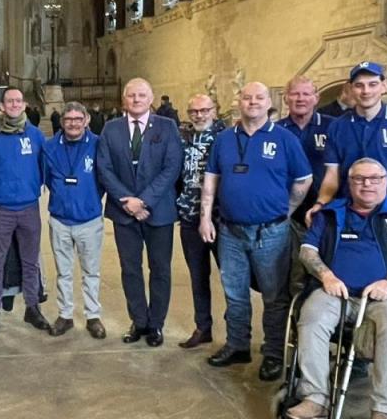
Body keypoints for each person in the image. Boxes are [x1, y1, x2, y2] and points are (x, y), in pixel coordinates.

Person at [287, 158, 387, 419]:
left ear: (386, 181)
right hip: (335, 293)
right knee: (311, 317)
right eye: (359, 179)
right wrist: (326, 276)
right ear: (349, 183)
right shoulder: (330, 213)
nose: (367, 184)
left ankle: (384, 412)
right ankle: (315, 398)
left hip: (385, 297)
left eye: (374, 179)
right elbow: (307, 250)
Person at [200, 82, 312, 381]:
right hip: (230, 232)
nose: (252, 102)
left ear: (269, 103)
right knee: (234, 293)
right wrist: (205, 218)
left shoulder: (285, 139)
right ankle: (237, 344)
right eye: (247, 97)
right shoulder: (224, 139)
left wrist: (284, 211)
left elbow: (303, 181)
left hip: (271, 233)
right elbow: (211, 179)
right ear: (239, 101)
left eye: (259, 97)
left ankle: (273, 352)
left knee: (274, 296)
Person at [96, 78, 182, 347]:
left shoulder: (167, 128)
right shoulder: (111, 129)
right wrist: (127, 201)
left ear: (151, 97)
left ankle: (156, 324)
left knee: (160, 270)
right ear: (124, 99)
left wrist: (143, 201)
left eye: (141, 95)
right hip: (124, 214)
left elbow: (171, 168)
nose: (136, 99)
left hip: (159, 212)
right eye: (131, 95)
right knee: (130, 269)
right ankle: (139, 321)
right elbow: (104, 168)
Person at [307, 61, 387, 226]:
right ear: (350, 88)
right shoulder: (338, 126)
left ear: (384, 86)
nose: (366, 91)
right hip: (349, 213)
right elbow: (332, 174)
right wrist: (320, 203)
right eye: (359, 85)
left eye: (373, 84)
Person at [0, 87, 51, 333]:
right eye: (9, 101)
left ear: (23, 105)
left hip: (29, 208)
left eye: (18, 101)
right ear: (2, 105)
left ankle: (32, 307)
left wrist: (35, 187)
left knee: (30, 262)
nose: (14, 104)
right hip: (0, 210)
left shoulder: (35, 135)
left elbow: (46, 164)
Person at [43, 102, 107, 338]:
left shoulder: (98, 144)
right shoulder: (50, 147)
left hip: (89, 220)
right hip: (60, 220)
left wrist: (89, 199)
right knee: (64, 272)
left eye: (78, 119)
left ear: (86, 120)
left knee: (91, 271)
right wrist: (63, 199)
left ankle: (92, 316)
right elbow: (48, 179)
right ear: (62, 122)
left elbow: (103, 177)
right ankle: (65, 315)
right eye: (68, 119)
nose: (73, 123)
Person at [175, 94, 224, 349]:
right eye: (194, 111)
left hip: (220, 218)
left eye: (204, 110)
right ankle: (202, 327)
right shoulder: (183, 138)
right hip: (189, 217)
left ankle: (237, 334)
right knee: (198, 276)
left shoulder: (226, 138)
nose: (199, 115)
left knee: (230, 277)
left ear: (214, 111)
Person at [278, 76, 332, 291]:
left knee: (324, 272)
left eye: (306, 93)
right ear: (286, 98)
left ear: (316, 98)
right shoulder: (276, 131)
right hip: (288, 215)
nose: (301, 99)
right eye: (295, 94)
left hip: (324, 212)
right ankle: (291, 320)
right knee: (290, 273)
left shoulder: (333, 127)